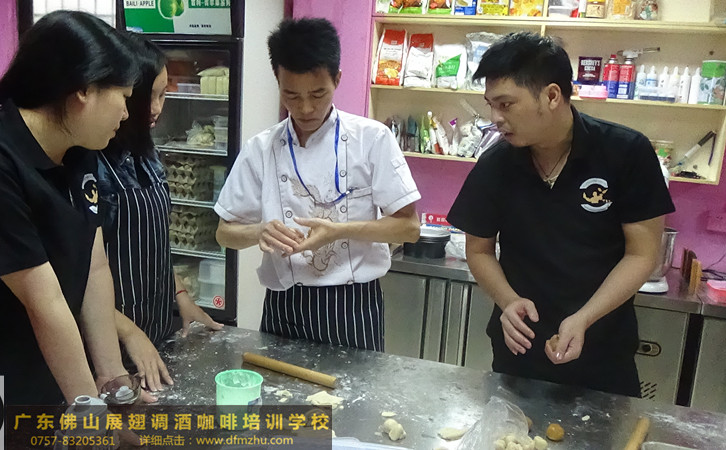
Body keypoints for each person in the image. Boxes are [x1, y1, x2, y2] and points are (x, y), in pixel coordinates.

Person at [0, 11, 142, 405]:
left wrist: (113, 382)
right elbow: (45, 302)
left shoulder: (78, 151)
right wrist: (91, 415)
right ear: (84, 90)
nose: (126, 114)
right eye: (124, 98)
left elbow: (93, 266)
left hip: (39, 379)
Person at [447, 32, 675, 397]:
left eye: (506, 104)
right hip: (519, 353)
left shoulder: (625, 152)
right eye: (490, 105)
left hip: (604, 353)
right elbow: (479, 249)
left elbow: (641, 254)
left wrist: (584, 318)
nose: (495, 118)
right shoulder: (496, 164)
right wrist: (507, 301)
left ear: (552, 96)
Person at [214, 18, 421, 351]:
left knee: (355, 387)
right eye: (291, 95)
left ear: (337, 79)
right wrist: (259, 231)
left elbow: (408, 228)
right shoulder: (261, 148)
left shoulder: (372, 139)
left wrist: (339, 231)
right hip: (284, 305)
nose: (305, 108)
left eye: (317, 93)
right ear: (278, 81)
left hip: (353, 306)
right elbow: (225, 233)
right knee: (279, 385)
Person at [97, 35, 223, 392]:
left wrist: (180, 294)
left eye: (163, 95)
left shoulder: (147, 154)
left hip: (155, 331)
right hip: (110, 345)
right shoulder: (90, 164)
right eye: (145, 97)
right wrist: (129, 332)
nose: (155, 108)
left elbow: (152, 243)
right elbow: (75, 280)